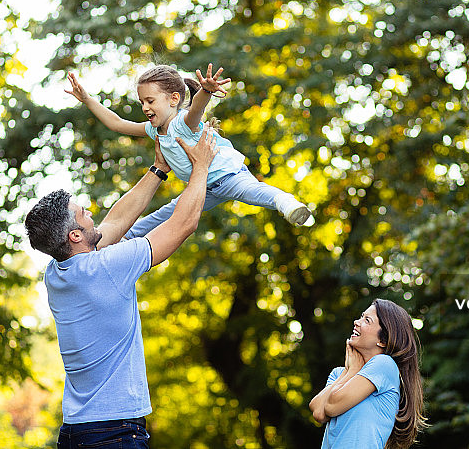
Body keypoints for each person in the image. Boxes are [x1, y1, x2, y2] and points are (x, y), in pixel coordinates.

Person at [24, 130, 217, 449]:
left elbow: (115, 223)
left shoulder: (57, 273)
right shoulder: (107, 267)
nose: (88, 211)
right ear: (74, 236)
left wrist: (157, 170)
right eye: (81, 212)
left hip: (76, 432)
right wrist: (201, 167)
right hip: (114, 434)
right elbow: (183, 224)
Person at [65, 63, 312, 238]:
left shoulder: (182, 123)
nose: (144, 107)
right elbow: (117, 123)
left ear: (173, 99)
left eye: (150, 101)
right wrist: (87, 99)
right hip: (201, 188)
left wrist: (205, 90)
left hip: (229, 176)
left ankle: (288, 204)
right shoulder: (154, 130)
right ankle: (125, 236)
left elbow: (197, 109)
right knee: (168, 214)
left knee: (253, 192)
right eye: (142, 102)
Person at [309, 299, 427, 449]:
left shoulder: (384, 365)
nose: (356, 322)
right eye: (361, 316)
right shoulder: (339, 373)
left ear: (383, 341)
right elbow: (318, 413)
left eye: (367, 320)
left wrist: (351, 371)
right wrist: (349, 371)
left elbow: (331, 406)